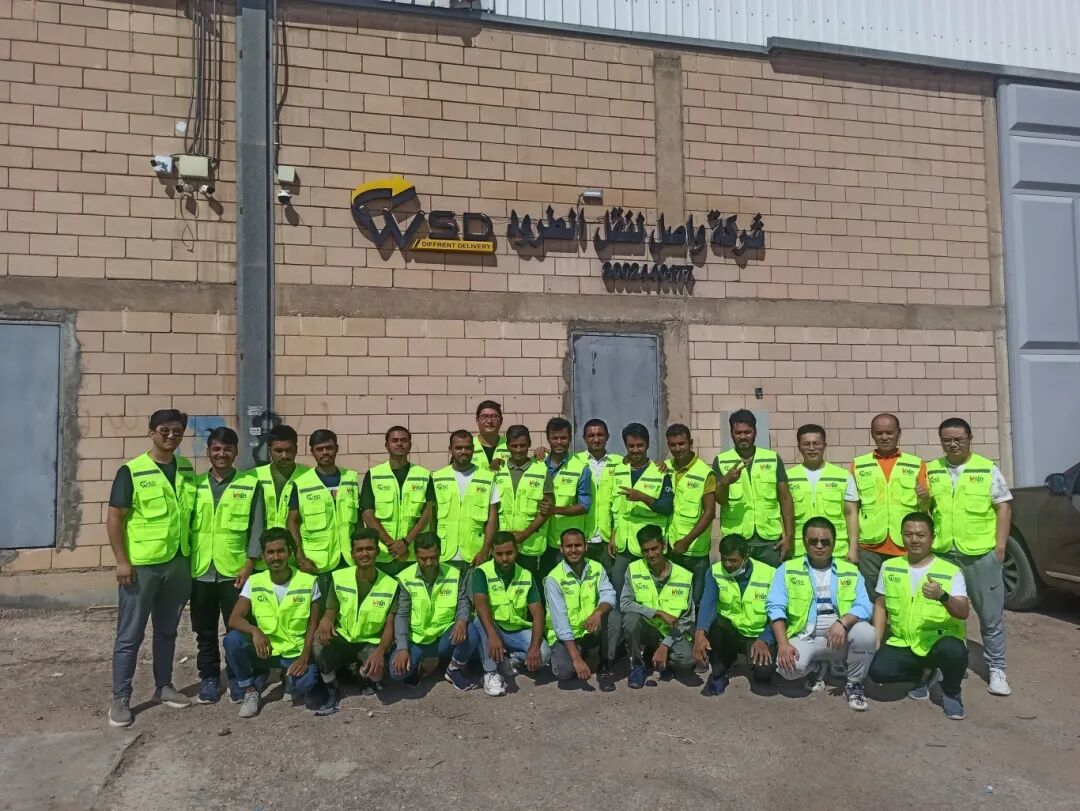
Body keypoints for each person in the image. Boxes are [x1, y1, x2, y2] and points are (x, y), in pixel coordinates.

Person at [106, 408, 197, 728]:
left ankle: (164, 686)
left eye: (177, 431)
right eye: (164, 430)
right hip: (142, 567)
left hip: (177, 563)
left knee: (167, 630)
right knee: (130, 634)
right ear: (151, 432)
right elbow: (115, 518)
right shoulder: (132, 471)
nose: (171, 436)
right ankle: (121, 698)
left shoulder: (186, 469)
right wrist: (122, 560)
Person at [927, 417, 1013, 697]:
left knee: (990, 615)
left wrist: (1000, 547)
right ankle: (952, 662)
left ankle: (997, 668)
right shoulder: (932, 470)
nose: (952, 444)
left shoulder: (986, 468)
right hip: (944, 553)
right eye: (947, 440)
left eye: (958, 439)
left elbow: (1003, 507)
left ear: (969, 439)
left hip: (980, 554)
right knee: (947, 614)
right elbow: (925, 509)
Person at [767, 517, 875, 712]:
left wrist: (843, 623)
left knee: (866, 633)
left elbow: (865, 606)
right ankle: (816, 667)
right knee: (786, 668)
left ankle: (854, 684)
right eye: (813, 541)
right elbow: (775, 607)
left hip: (840, 636)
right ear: (804, 542)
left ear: (833, 543)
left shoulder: (850, 571)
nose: (819, 546)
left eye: (825, 542)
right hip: (805, 636)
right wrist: (783, 644)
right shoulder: (787, 570)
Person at [869, 512, 970, 720]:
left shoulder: (950, 571)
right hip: (904, 641)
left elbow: (963, 612)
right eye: (908, 534)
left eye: (921, 535)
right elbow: (880, 604)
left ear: (932, 538)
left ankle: (951, 691)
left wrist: (943, 596)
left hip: (938, 641)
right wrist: (877, 639)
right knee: (878, 671)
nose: (914, 540)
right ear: (902, 536)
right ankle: (924, 673)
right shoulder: (890, 567)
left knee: (955, 652)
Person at [188, 427, 261, 704]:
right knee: (204, 631)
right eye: (216, 449)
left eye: (227, 449)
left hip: (234, 571)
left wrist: (249, 563)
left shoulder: (249, 484)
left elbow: (257, 527)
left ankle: (236, 677)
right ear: (208, 451)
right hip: (201, 570)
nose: (222, 454)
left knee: (236, 630)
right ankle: (208, 678)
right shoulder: (194, 485)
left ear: (236, 452)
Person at [224, 528, 321, 718]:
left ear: (289, 553)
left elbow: (313, 624)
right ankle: (250, 691)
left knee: (307, 683)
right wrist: (255, 631)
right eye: (270, 552)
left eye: (281, 551)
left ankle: (289, 678)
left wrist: (304, 658)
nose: (276, 557)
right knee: (232, 640)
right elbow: (234, 619)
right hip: (266, 650)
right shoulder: (254, 581)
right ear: (263, 556)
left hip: (294, 652)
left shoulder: (308, 582)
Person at [845, 413, 929, 602]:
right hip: (870, 547)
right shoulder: (858, 465)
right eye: (879, 433)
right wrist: (853, 547)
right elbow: (852, 510)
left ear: (899, 433)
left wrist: (925, 497)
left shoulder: (916, 464)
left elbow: (924, 509)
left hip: (905, 545)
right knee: (872, 599)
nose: (884, 437)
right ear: (872, 434)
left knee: (904, 597)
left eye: (889, 432)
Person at [313, 529, 399, 711]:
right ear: (352, 554)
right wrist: (325, 621)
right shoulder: (340, 578)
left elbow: (390, 626)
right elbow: (330, 612)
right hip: (343, 638)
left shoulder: (391, 585)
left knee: (377, 674)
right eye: (360, 550)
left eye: (369, 549)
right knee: (318, 644)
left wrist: (381, 651)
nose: (365, 553)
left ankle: (362, 674)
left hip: (369, 642)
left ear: (377, 551)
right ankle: (332, 686)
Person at [389, 532, 476, 690]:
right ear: (416, 556)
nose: (429, 563)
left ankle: (453, 670)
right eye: (423, 559)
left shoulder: (453, 574)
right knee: (396, 672)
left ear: (440, 553)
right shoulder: (406, 578)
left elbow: (463, 601)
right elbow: (402, 615)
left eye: (433, 557)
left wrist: (461, 621)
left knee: (471, 630)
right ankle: (422, 665)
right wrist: (402, 647)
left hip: (444, 637)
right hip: (416, 640)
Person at [693, 533, 776, 696]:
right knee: (714, 628)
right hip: (728, 632)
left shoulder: (770, 574)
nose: (727, 564)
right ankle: (720, 670)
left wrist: (765, 639)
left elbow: (777, 612)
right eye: (724, 559)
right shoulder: (715, 572)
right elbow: (708, 603)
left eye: (733, 560)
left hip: (756, 634)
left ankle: (752, 658)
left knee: (764, 673)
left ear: (746, 557)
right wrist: (700, 633)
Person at [469, 532, 550, 696]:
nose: (505, 558)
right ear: (492, 552)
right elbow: (480, 605)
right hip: (491, 627)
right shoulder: (482, 572)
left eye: (509, 553)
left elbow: (538, 614)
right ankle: (490, 673)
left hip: (516, 630)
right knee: (479, 620)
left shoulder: (526, 575)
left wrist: (534, 647)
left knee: (544, 654)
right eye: (499, 554)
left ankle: (510, 659)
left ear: (516, 551)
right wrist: (493, 636)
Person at [714, 409, 794, 567]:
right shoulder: (721, 461)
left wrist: (789, 537)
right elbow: (720, 500)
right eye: (738, 432)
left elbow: (785, 499)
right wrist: (725, 482)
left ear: (755, 432)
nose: (743, 436)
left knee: (772, 581)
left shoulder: (772, 459)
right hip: (737, 542)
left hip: (770, 541)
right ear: (731, 433)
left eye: (747, 432)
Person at [620, 525, 696, 688]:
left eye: (654, 548)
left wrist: (665, 645)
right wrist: (658, 613)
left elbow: (686, 619)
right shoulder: (633, 569)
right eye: (645, 550)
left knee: (688, 661)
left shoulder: (684, 576)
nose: (651, 554)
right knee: (630, 619)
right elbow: (625, 604)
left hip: (671, 632)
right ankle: (638, 666)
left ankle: (661, 657)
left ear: (664, 546)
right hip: (646, 628)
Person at [544, 528, 618, 691]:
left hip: (590, 629)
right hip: (566, 636)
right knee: (564, 672)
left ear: (586, 547)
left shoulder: (596, 568)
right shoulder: (553, 578)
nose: (573, 550)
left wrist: (598, 612)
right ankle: (580, 654)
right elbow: (561, 624)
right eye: (568, 546)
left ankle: (605, 666)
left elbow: (609, 594)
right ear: (561, 549)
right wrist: (576, 659)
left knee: (614, 616)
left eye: (578, 545)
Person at [360, 426, 435, 577]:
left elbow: (428, 514)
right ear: (387, 445)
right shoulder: (374, 475)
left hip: (413, 554)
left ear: (410, 445)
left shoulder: (423, 475)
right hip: (382, 554)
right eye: (395, 440)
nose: (399, 444)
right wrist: (393, 546)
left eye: (404, 440)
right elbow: (368, 515)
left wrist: (405, 543)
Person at [609, 423, 674, 596]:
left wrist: (643, 497)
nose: (635, 450)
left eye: (640, 445)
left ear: (648, 445)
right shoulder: (619, 471)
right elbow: (615, 509)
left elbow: (667, 507)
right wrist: (613, 537)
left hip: (648, 548)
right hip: (623, 546)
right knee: (619, 591)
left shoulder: (660, 472)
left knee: (647, 595)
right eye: (631, 446)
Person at [286, 429, 360, 575]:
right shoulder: (301, 484)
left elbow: (358, 520)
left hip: (349, 560)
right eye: (319, 449)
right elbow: (292, 522)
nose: (325, 453)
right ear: (312, 452)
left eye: (329, 448)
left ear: (336, 448)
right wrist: (300, 559)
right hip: (316, 562)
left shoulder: (350, 478)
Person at [431, 430, 500, 569]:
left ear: (473, 449)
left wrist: (485, 551)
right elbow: (431, 518)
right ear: (450, 449)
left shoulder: (487, 478)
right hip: (444, 554)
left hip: (475, 555)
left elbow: (492, 520)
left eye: (467, 448)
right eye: (458, 448)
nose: (463, 451)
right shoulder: (437, 477)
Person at [664, 423, 717, 603]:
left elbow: (709, 513)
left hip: (694, 551)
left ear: (690, 443)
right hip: (670, 547)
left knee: (696, 600)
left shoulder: (705, 473)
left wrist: (686, 541)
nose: (677, 449)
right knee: (674, 599)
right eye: (673, 445)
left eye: (682, 443)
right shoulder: (664, 468)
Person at [787, 424, 856, 563]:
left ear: (824, 446)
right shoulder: (788, 477)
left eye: (816, 443)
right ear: (799, 447)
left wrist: (853, 548)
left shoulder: (843, 476)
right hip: (799, 551)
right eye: (806, 444)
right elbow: (783, 515)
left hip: (837, 551)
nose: (811, 448)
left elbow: (851, 514)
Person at [492, 425, 552, 581]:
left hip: (530, 546)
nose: (518, 450)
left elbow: (547, 510)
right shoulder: (497, 470)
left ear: (529, 444)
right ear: (507, 446)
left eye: (523, 445)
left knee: (530, 587)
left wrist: (526, 533)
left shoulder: (542, 471)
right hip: (503, 547)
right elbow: (491, 509)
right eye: (514, 446)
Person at [571, 418, 623, 572]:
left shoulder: (620, 462)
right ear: (584, 438)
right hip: (582, 535)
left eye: (600, 435)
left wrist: (660, 464)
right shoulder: (574, 461)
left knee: (608, 578)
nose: (596, 439)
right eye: (591, 435)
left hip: (607, 537)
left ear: (607, 436)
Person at [543, 417, 592, 574]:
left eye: (563, 438)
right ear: (548, 439)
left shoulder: (581, 468)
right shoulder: (538, 464)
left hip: (566, 544)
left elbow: (584, 506)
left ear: (570, 439)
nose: (559, 442)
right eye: (554, 438)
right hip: (540, 540)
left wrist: (555, 510)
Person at [253, 424, 309, 532]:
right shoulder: (253, 476)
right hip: (263, 541)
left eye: (288, 450)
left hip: (296, 541)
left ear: (296, 449)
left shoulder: (309, 477)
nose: (284, 456)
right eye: (278, 451)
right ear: (269, 451)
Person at [473, 400, 510, 471]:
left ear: (501, 420)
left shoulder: (510, 446)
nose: (489, 421)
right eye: (484, 416)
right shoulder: (467, 446)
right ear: (477, 420)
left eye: (494, 416)